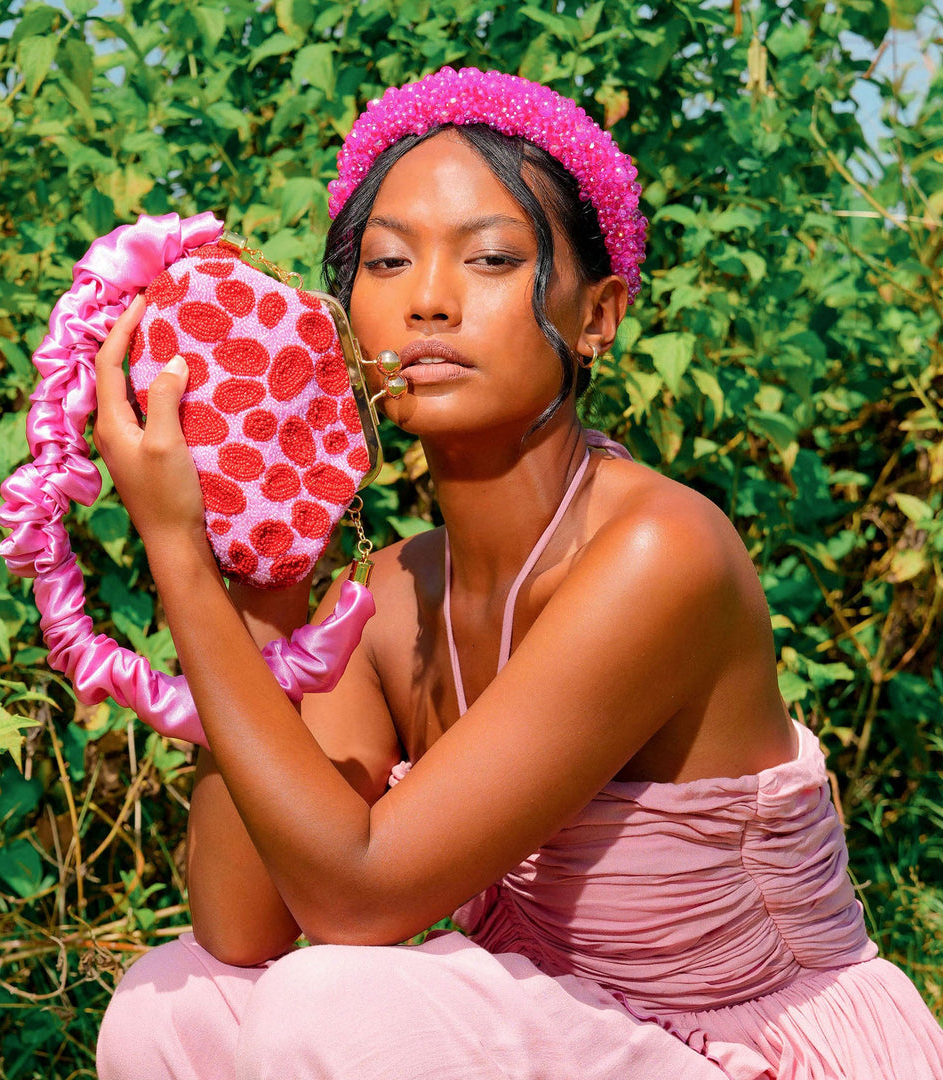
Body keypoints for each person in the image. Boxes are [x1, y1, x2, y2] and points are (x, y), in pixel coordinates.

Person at [92, 68, 943, 1079]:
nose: (430, 302)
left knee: (333, 1005)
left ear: (598, 317)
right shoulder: (396, 592)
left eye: (492, 258)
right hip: (568, 1033)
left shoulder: (660, 554)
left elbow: (357, 900)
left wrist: (176, 558)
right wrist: (260, 588)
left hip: (751, 1056)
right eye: (387, 262)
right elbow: (243, 926)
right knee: (167, 1008)